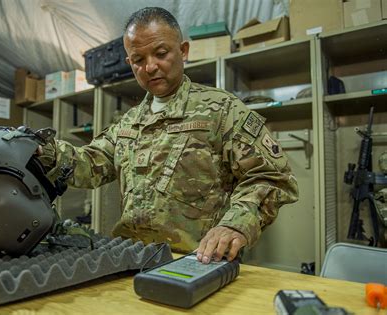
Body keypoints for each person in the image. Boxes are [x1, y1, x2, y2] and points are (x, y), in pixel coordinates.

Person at [39, 7, 298, 264]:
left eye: (161, 53)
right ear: (130, 63)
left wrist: (235, 225)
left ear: (183, 51)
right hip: (133, 259)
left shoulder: (222, 110)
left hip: (199, 263)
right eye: (138, 60)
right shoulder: (129, 122)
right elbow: (89, 164)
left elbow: (272, 177)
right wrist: (42, 150)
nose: (150, 66)